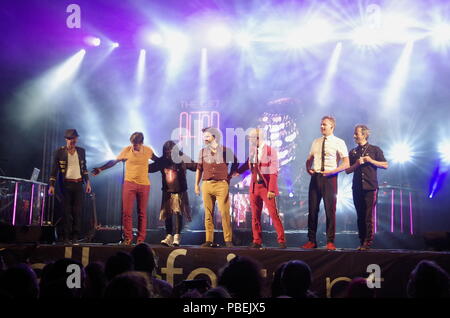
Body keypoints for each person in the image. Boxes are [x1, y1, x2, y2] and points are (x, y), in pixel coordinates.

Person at [92, 132, 157, 245]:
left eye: (136, 144)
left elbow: (158, 161)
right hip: (129, 184)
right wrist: (101, 169)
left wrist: (151, 168)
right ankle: (128, 238)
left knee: (142, 213)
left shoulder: (148, 150)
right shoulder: (127, 150)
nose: (134, 146)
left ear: (141, 143)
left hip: (144, 185)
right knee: (126, 212)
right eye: (133, 144)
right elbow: (114, 161)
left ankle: (141, 239)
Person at [302, 116, 349, 250]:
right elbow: (309, 158)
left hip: (330, 178)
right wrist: (307, 168)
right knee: (312, 210)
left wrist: (333, 171)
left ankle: (330, 241)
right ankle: (311, 240)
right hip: (316, 177)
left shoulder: (339, 142)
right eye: (321, 124)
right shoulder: (316, 141)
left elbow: (346, 163)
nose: (322, 127)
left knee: (330, 210)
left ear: (332, 127)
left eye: (325, 125)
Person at [236, 128, 286, 248]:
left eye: (251, 137)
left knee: (273, 213)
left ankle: (281, 240)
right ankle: (257, 240)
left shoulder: (270, 151)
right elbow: (249, 163)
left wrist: (271, 189)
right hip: (254, 187)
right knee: (255, 215)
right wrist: (237, 171)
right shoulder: (253, 150)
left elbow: (273, 172)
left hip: (266, 187)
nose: (249, 139)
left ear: (258, 138)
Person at [345, 125, 388, 250]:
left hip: (370, 187)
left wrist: (371, 161)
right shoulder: (353, 152)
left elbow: (385, 165)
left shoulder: (375, 149)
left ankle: (367, 243)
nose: (354, 136)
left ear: (364, 135)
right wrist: (357, 164)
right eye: (354, 133)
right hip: (357, 187)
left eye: (356, 133)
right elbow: (347, 170)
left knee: (369, 216)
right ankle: (361, 241)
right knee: (360, 215)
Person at [195, 127, 238, 248]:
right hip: (207, 185)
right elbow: (199, 169)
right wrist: (196, 185)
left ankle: (228, 240)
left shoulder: (225, 150)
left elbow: (235, 162)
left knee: (224, 213)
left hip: (221, 185)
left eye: (207, 136)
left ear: (214, 137)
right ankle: (209, 240)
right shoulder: (202, 152)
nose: (205, 139)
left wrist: (230, 175)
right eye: (204, 137)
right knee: (208, 214)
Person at [149, 141, 197, 247]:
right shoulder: (162, 161)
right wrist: (139, 164)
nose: (168, 152)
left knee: (178, 213)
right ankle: (168, 236)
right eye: (166, 150)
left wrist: (203, 165)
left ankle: (177, 236)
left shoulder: (182, 158)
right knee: (167, 213)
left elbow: (195, 166)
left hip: (180, 191)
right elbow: (150, 168)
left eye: (170, 150)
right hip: (167, 191)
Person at [48, 129, 92, 244]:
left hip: (78, 184)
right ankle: (66, 236)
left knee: (77, 211)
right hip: (65, 185)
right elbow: (54, 170)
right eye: (71, 138)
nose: (73, 141)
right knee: (66, 211)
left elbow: (84, 169)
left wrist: (87, 182)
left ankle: (75, 236)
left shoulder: (81, 151)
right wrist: (51, 185)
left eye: (75, 138)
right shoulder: (59, 152)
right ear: (66, 139)